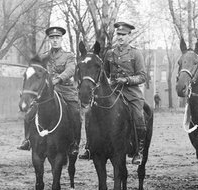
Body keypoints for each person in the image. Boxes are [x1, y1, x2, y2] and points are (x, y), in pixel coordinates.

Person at [89, 21, 146, 165]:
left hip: (130, 92)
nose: (120, 37)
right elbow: (104, 73)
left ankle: (138, 150)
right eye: (118, 34)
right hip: (112, 91)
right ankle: (90, 146)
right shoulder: (110, 53)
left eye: (123, 35)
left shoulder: (135, 53)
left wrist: (126, 80)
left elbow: (142, 76)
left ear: (129, 36)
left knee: (138, 116)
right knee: (92, 112)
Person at [17, 26, 81, 155]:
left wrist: (58, 79)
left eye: (57, 38)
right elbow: (35, 72)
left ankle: (74, 144)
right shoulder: (43, 57)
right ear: (49, 40)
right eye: (52, 38)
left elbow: (70, 70)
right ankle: (27, 140)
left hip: (65, 90)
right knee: (29, 113)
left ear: (61, 39)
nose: (55, 40)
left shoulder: (69, 56)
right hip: (46, 93)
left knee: (75, 114)